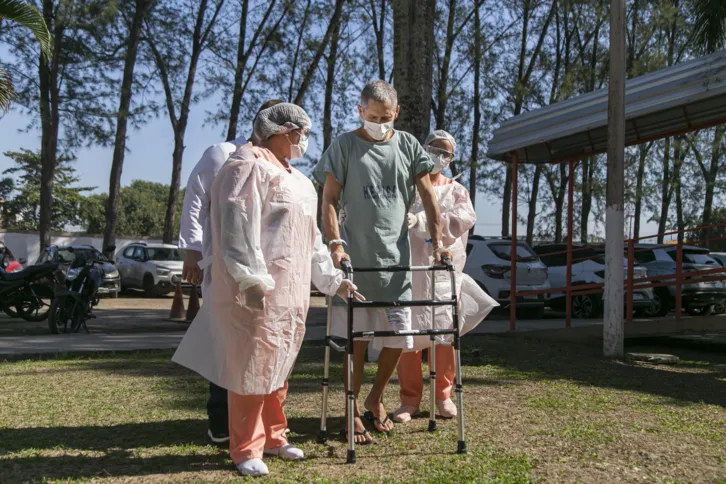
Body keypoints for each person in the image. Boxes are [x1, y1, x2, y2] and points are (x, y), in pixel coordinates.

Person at [173, 103, 363, 477]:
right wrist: (251, 280)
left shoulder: (298, 178)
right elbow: (236, 229)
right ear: (282, 130)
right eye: (300, 133)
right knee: (250, 367)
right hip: (255, 291)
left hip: (291, 293)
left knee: (280, 363)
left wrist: (333, 280)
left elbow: (309, 239)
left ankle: (275, 436)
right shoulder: (245, 165)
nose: (303, 140)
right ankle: (245, 446)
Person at [313, 80, 451, 444]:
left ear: (397, 113)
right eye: (372, 117)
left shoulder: (406, 145)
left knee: (397, 338)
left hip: (396, 265)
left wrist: (438, 242)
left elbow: (428, 195)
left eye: (386, 117)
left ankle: (375, 398)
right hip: (355, 262)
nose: (379, 122)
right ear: (360, 112)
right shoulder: (344, 145)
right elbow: (328, 198)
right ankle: (351, 406)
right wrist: (335, 244)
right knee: (356, 341)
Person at [178, 100, 282, 444]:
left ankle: (260, 422)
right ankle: (220, 419)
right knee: (225, 342)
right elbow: (195, 199)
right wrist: (192, 251)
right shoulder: (222, 153)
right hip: (223, 267)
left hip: (267, 271)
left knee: (262, 344)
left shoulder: (281, 164)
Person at [392, 130, 497, 423]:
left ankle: (443, 395)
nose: (440, 157)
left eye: (446, 153)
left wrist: (423, 222)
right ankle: (409, 399)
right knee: (408, 338)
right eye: (435, 150)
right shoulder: (408, 187)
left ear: (452, 158)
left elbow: (460, 221)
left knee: (444, 337)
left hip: (441, 274)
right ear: (423, 149)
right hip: (410, 272)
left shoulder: (457, 191)